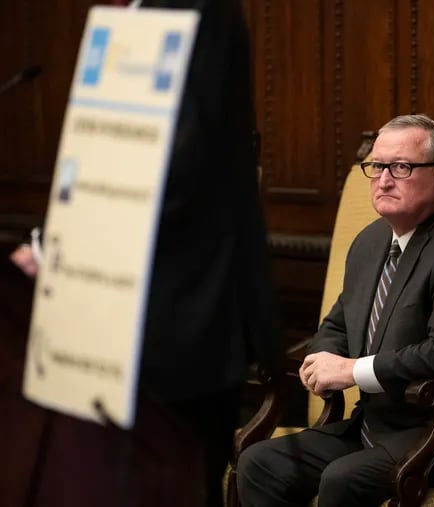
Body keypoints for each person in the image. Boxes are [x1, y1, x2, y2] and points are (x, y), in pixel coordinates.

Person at [10, 1, 280, 505]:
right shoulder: (132, 18)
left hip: (181, 320)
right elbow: (108, 157)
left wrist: (61, 251)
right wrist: (52, 243)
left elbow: (178, 167)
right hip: (115, 325)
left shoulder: (197, 9)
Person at [235, 114, 434, 507]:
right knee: (260, 464)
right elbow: (337, 325)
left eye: (401, 167)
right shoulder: (369, 242)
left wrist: (352, 371)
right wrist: (325, 358)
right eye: (377, 166)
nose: (383, 180)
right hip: (373, 427)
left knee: (342, 479)